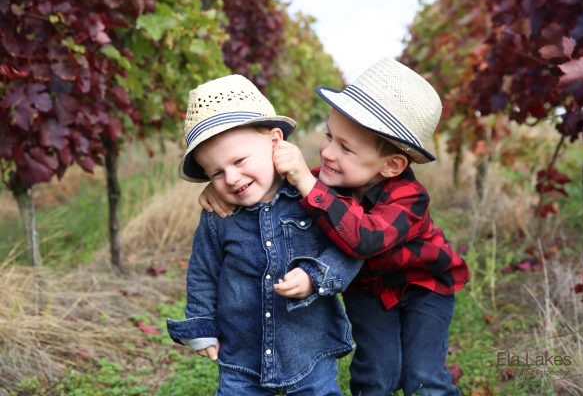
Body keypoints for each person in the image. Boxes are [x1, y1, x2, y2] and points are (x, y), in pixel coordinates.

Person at [200, 58, 470, 396]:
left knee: (422, 375)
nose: (327, 151)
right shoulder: (329, 181)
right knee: (377, 373)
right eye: (330, 136)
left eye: (345, 147)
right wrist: (221, 182)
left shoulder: (409, 198)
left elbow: (366, 239)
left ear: (392, 166)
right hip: (368, 288)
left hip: (423, 284)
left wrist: (307, 184)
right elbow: (269, 183)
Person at [166, 74, 362, 396]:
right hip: (242, 351)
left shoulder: (312, 197)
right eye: (216, 172)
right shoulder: (218, 217)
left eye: (239, 161)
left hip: (308, 345)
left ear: (274, 142)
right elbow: (204, 271)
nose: (230, 177)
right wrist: (201, 321)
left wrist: (315, 276)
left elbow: (347, 248)